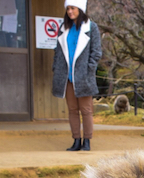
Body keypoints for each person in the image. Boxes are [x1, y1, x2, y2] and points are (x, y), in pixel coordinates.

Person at [52, 0, 102, 152]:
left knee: (86, 110)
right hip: (67, 76)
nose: (69, 11)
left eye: (72, 8)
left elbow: (96, 51)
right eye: (68, 8)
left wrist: (89, 69)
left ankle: (87, 140)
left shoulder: (91, 27)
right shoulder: (64, 28)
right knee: (72, 110)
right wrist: (56, 68)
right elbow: (58, 51)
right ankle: (76, 140)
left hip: (83, 76)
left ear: (80, 9)